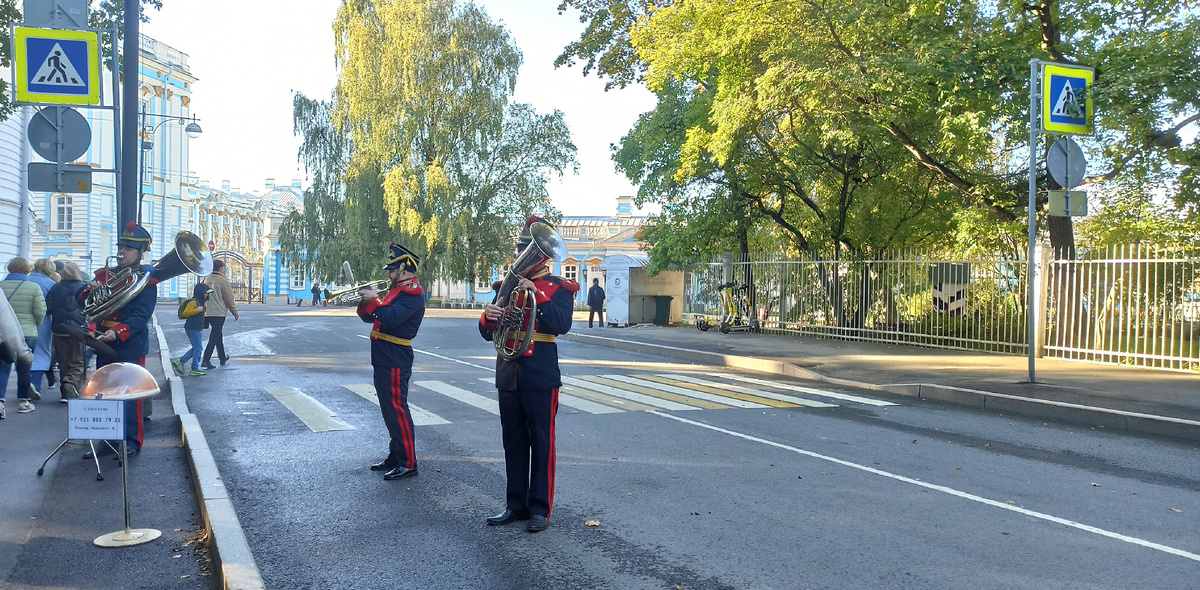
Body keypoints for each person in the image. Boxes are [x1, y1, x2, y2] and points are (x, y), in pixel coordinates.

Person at [479, 216, 578, 533]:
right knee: (514, 442)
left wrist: (539, 293)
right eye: (521, 251)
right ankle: (515, 505)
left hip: (540, 374)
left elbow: (561, 324)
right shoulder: (504, 287)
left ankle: (540, 509)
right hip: (509, 373)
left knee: (542, 442)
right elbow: (486, 332)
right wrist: (488, 317)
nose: (523, 257)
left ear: (544, 256)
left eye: (529, 252)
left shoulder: (559, 288)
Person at [83, 222, 160, 455]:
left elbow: (141, 316)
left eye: (128, 249)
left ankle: (132, 442)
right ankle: (106, 442)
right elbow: (88, 306)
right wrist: (90, 291)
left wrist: (118, 332)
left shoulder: (146, 281)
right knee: (103, 393)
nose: (121, 252)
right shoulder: (103, 276)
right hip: (102, 343)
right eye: (121, 247)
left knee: (129, 396)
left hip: (129, 344)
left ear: (139, 253)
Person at [358, 242, 426, 481]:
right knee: (389, 410)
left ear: (405, 270)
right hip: (384, 356)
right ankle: (396, 455)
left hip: (396, 357)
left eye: (392, 269)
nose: (388, 274)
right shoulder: (396, 291)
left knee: (397, 409)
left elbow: (390, 318)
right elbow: (371, 318)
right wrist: (367, 300)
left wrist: (375, 299)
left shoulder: (412, 294)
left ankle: (408, 462)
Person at [0, 257, 47, 416]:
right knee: (24, 368)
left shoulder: (1, 286)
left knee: (3, 368)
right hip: (28, 332)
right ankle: (24, 401)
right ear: (27, 270)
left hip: (2, 334)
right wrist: (35, 324)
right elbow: (40, 311)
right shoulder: (33, 287)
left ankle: (0, 402)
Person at [46, 261, 88, 401]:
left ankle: (65, 394)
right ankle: (70, 383)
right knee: (77, 361)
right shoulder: (83, 288)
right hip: (77, 330)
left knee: (63, 361)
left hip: (59, 329)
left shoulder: (55, 287)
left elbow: (49, 308)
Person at [28, 258, 58, 398]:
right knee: (42, 352)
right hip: (43, 321)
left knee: (24, 352)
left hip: (22, 321)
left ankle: (24, 384)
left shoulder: (25, 280)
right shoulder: (51, 284)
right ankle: (35, 384)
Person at [202, 259, 239, 369]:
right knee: (214, 336)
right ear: (220, 269)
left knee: (218, 334)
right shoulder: (223, 281)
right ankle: (206, 360)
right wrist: (235, 312)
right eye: (223, 267)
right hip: (218, 313)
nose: (224, 269)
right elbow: (229, 299)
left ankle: (222, 357)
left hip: (207, 312)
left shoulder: (206, 279)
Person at [172, 282, 212, 377]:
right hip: (192, 328)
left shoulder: (200, 302)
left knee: (196, 348)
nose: (207, 295)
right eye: (206, 293)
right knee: (198, 348)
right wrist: (198, 310)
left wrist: (203, 309)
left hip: (196, 327)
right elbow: (186, 313)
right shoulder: (194, 302)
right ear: (201, 293)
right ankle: (194, 368)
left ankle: (180, 361)